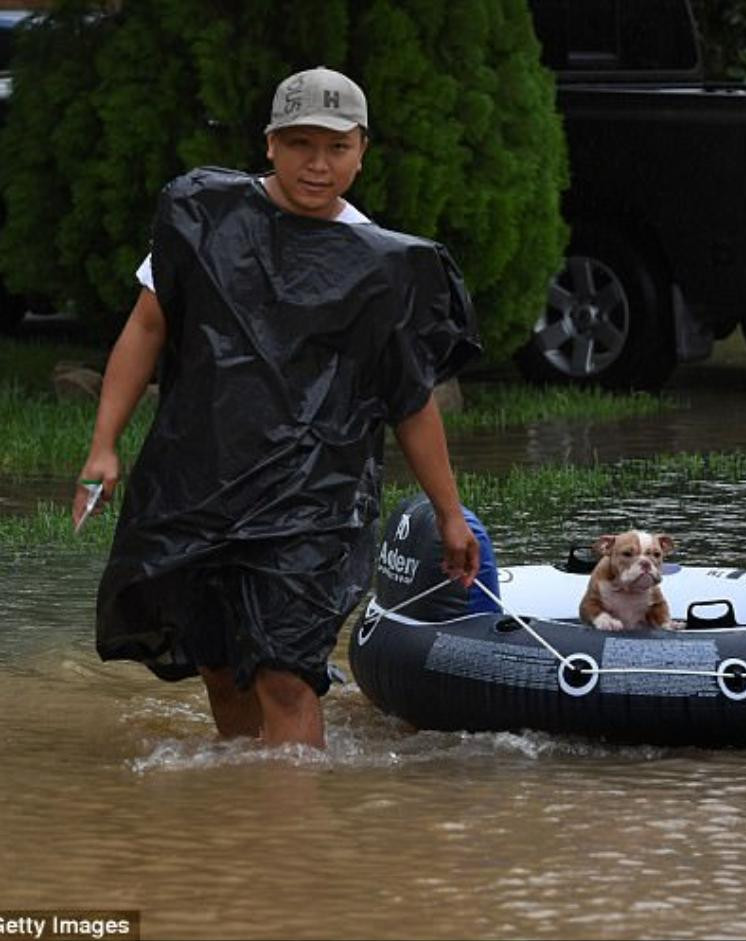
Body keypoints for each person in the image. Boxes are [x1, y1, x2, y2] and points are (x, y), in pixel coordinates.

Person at [72, 66, 481, 749]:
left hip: (312, 497)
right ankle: (243, 832)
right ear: (269, 143)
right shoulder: (204, 219)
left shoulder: (383, 267)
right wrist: (103, 445)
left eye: (336, 147)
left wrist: (448, 511)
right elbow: (147, 327)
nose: (317, 165)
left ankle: (292, 846)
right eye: (299, 144)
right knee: (220, 667)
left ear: (361, 151)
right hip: (199, 480)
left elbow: (409, 400)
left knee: (285, 676)